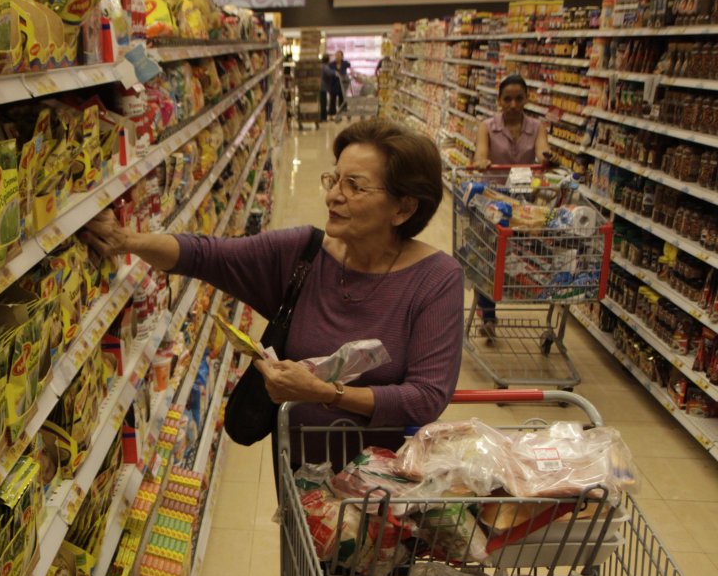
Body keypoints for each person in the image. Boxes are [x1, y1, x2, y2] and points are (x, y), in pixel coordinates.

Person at [83, 119, 464, 461]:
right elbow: (208, 255)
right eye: (334, 180)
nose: (333, 196)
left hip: (388, 491)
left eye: (355, 186)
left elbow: (426, 397)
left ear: (403, 208)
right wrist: (128, 240)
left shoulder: (437, 279)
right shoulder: (304, 253)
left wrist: (326, 393)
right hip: (300, 475)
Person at [471, 74, 552, 339]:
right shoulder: (487, 126)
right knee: (488, 256)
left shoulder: (537, 127)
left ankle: (524, 292)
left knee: (521, 256)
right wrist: (482, 161)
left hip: (523, 204)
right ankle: (489, 315)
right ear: (499, 101)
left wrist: (547, 159)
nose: (514, 104)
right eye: (508, 99)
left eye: (519, 98)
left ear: (527, 99)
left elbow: (542, 152)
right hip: (492, 201)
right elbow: (481, 154)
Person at [321, 54, 344, 122]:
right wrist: (336, 73)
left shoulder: (323, 66)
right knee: (323, 102)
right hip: (323, 87)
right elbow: (330, 73)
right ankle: (323, 117)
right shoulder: (325, 67)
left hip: (323, 87)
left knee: (324, 102)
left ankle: (324, 116)